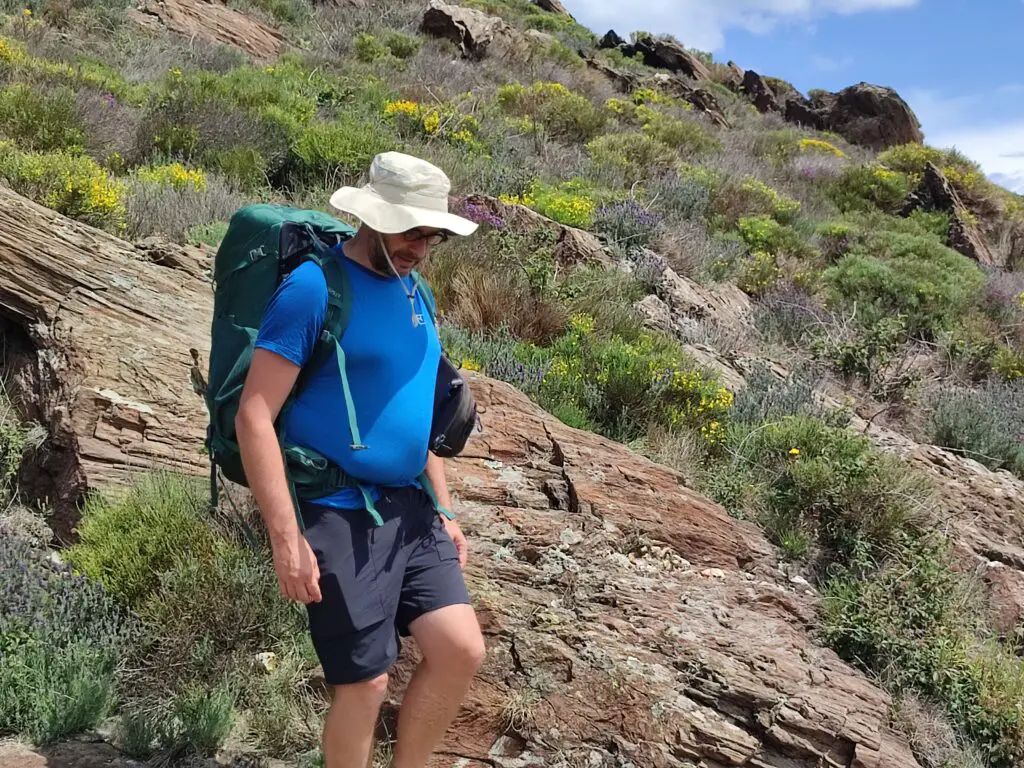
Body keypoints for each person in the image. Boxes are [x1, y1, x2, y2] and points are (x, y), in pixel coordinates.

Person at [234, 151, 486, 768]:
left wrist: (445, 507)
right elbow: (254, 416)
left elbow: (417, 408)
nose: (421, 247)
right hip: (338, 509)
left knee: (459, 649)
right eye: (411, 231)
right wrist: (286, 539)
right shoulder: (313, 288)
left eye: (432, 235)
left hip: (414, 509)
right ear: (373, 217)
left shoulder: (415, 290)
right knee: (366, 684)